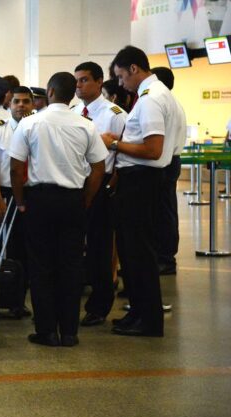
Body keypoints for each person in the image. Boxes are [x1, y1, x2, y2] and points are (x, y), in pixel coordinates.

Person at [9, 72, 108, 347]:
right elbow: (99, 166)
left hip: (39, 200)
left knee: (41, 266)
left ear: (50, 92)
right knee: (72, 265)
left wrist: (19, 201)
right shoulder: (86, 125)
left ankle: (46, 331)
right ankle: (70, 332)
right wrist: (86, 198)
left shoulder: (30, 124)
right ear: (72, 94)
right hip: (73, 200)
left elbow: (16, 168)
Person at [103, 46, 181, 337]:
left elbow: (152, 148)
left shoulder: (150, 100)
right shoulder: (157, 95)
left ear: (134, 69)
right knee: (133, 252)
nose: (121, 84)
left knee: (140, 253)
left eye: (122, 77)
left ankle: (147, 320)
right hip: (141, 180)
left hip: (141, 180)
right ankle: (138, 313)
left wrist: (114, 144)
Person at [71, 62, 128, 327]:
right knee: (72, 245)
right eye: (77, 81)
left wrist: (111, 185)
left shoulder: (114, 114)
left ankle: (100, 305)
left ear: (98, 81)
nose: (79, 86)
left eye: (84, 80)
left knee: (99, 247)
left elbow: (123, 153)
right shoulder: (72, 112)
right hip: (74, 181)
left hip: (103, 181)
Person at [0, 86, 34, 318]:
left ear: (32, 104)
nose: (21, 106)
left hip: (30, 193)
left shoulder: (38, 128)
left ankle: (18, 301)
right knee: (0, 248)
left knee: (26, 250)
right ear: (9, 104)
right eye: (16, 102)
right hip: (4, 193)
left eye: (25, 101)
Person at [150, 66, 186, 275]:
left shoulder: (164, 104)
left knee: (164, 212)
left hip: (167, 161)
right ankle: (164, 255)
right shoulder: (173, 103)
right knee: (165, 211)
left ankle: (165, 258)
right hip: (170, 160)